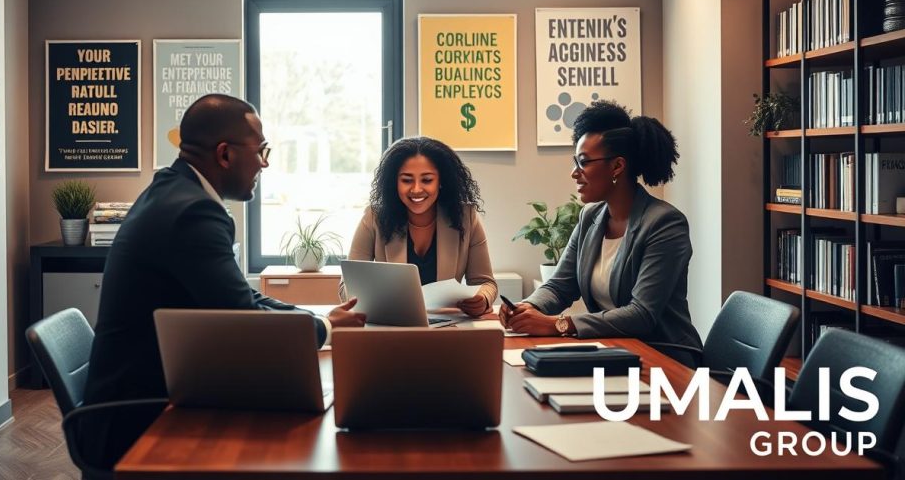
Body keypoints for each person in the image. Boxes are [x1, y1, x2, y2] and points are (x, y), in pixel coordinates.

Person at [82, 94, 366, 467]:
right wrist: (325, 328)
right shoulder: (193, 212)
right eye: (262, 150)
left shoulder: (172, 190)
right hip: (140, 421)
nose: (264, 163)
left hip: (154, 393)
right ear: (225, 155)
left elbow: (240, 296)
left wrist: (307, 317)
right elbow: (243, 320)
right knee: (297, 436)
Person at [500, 100, 702, 365]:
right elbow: (560, 286)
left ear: (617, 166)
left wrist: (558, 324)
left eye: (583, 162)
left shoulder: (665, 224)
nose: (574, 173)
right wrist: (529, 307)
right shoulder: (590, 217)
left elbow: (641, 314)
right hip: (613, 352)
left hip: (664, 359)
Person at [340, 136, 497, 316]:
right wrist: (364, 297)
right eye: (406, 180)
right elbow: (347, 287)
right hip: (391, 324)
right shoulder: (374, 217)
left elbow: (486, 283)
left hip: (447, 325)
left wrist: (482, 299)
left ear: (441, 182)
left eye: (427, 180)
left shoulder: (466, 217)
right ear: (394, 182)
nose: (416, 189)